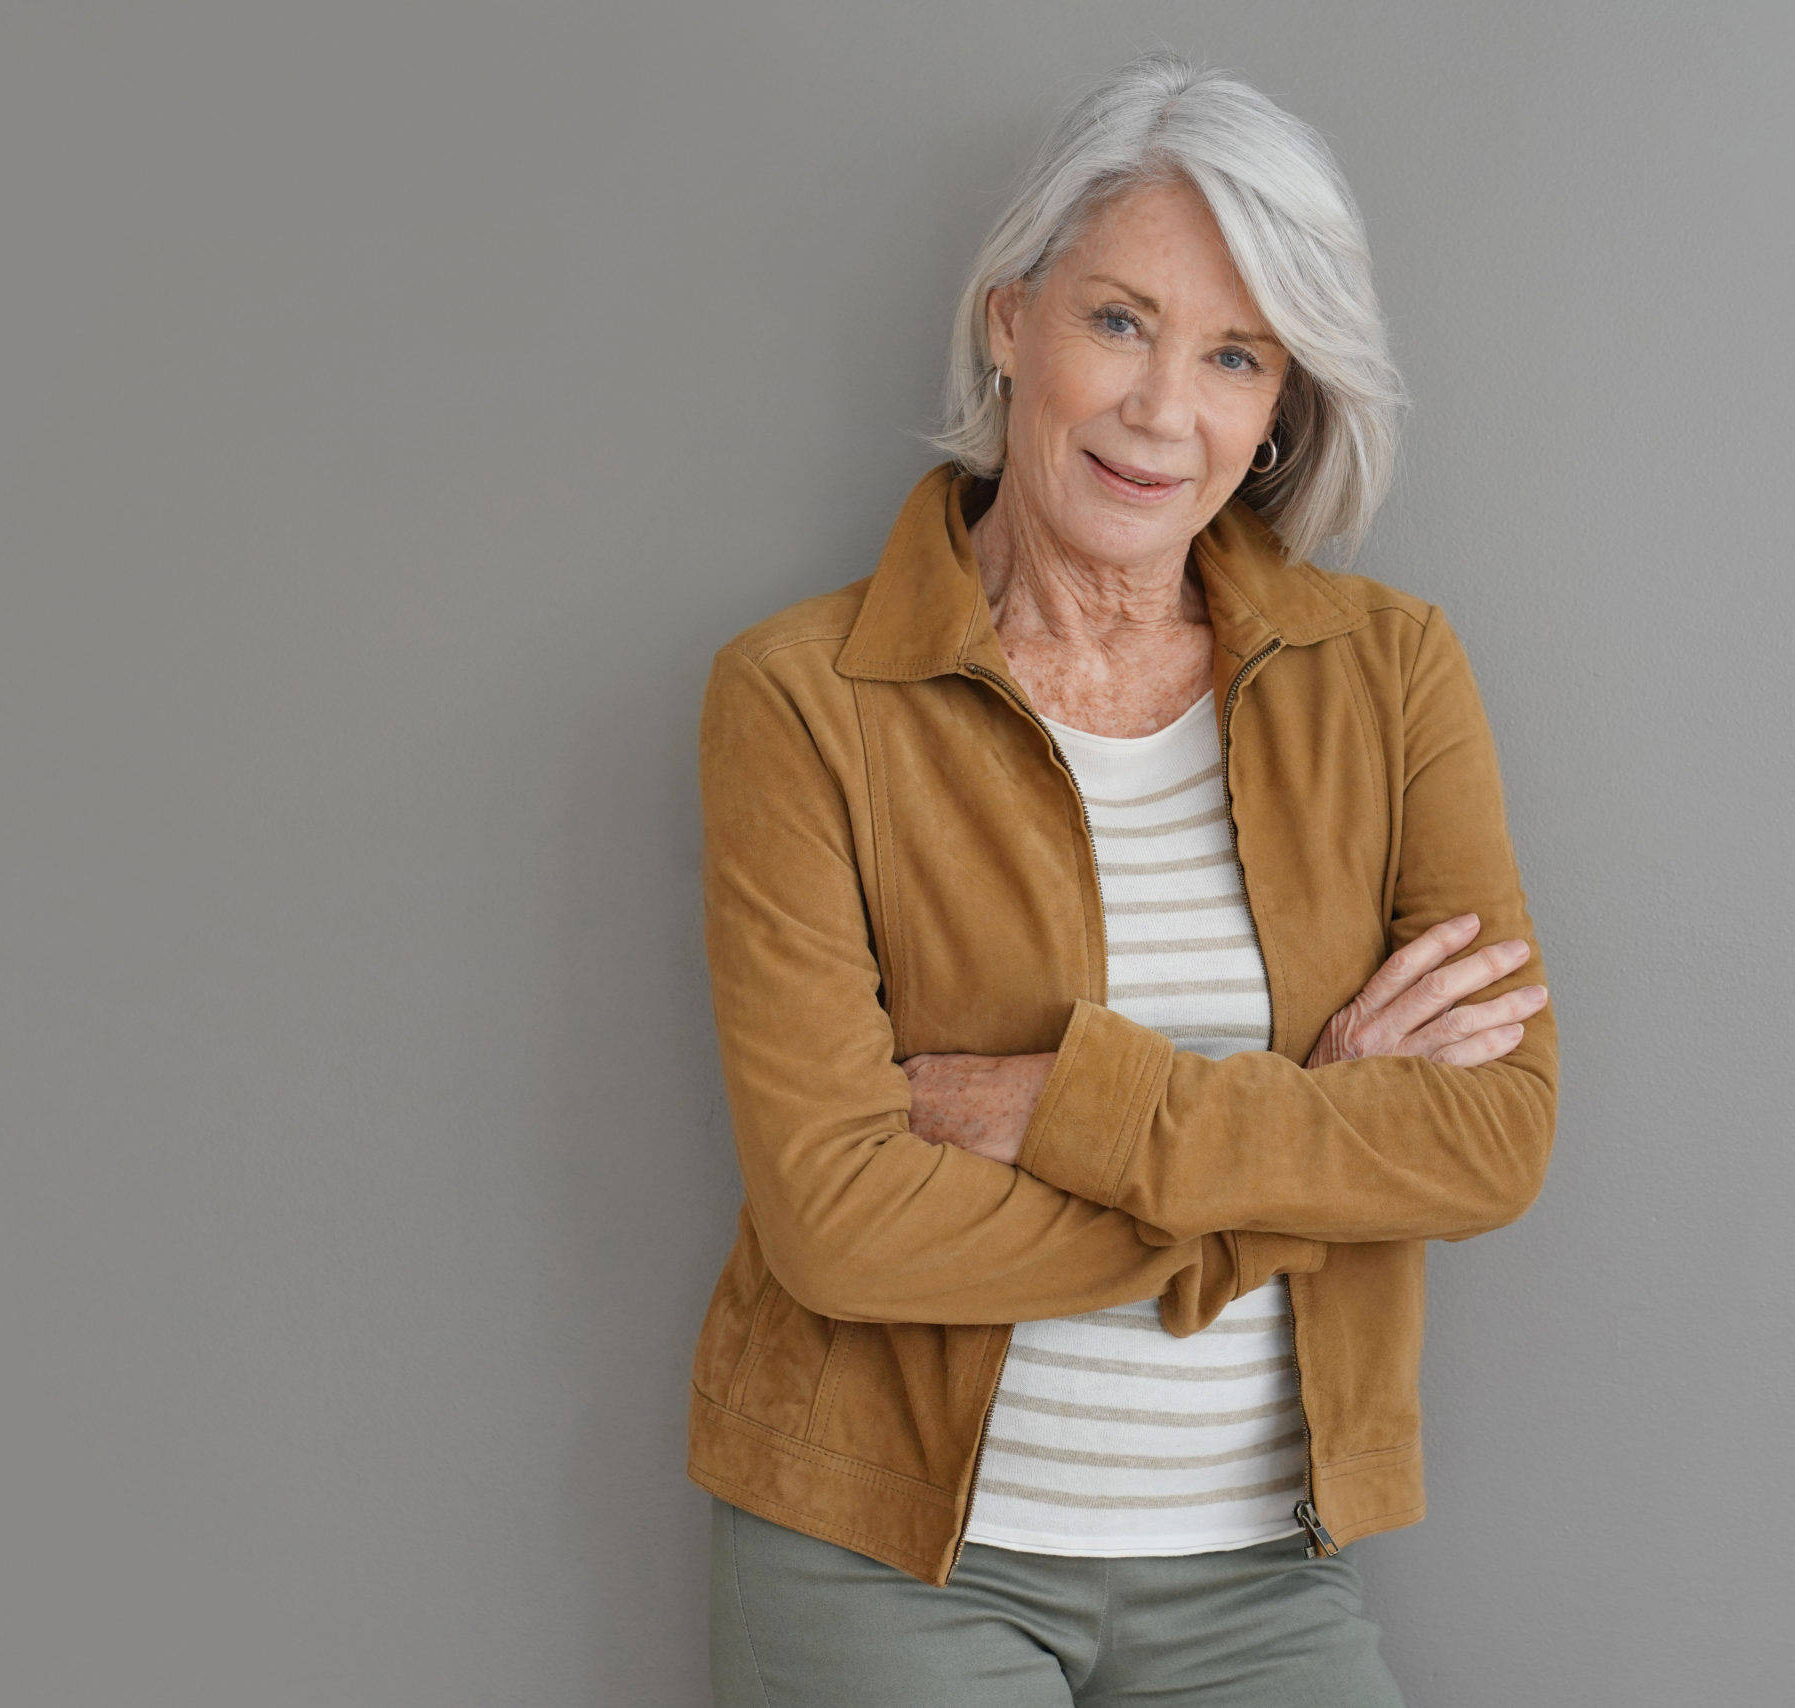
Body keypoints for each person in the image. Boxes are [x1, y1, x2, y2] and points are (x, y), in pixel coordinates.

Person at [690, 50, 1557, 1707]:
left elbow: (1496, 1130)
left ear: (1283, 400)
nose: (1167, 411)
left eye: (1234, 354)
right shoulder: (800, 699)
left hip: (1259, 1577)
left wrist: (1067, 1107)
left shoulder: (1391, 676)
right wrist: (1296, 1153)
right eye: (1119, 322)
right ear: (1009, 319)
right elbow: (841, 1226)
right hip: (881, 1566)